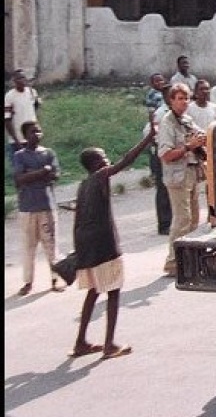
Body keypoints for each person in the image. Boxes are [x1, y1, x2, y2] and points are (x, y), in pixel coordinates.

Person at [70, 125, 155, 360]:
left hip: (87, 244)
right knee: (114, 291)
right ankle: (109, 345)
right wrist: (147, 139)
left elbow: (77, 220)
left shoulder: (83, 185)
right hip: (104, 244)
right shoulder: (100, 176)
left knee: (94, 291)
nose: (107, 161)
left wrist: (79, 252)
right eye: (104, 158)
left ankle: (81, 342)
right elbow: (127, 160)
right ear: (97, 164)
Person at [157, 83, 206, 277]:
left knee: (193, 219)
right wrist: (188, 146)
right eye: (179, 98)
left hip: (192, 172)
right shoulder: (167, 123)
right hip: (177, 175)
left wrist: (200, 140)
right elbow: (165, 154)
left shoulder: (186, 120)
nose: (184, 102)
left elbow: (199, 134)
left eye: (186, 98)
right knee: (181, 219)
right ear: (171, 101)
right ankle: (173, 263)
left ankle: (188, 261)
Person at [13, 121, 62, 296]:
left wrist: (32, 174)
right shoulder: (20, 155)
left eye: (39, 131)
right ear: (25, 135)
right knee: (29, 246)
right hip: (27, 207)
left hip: (46, 204)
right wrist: (42, 172)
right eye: (33, 132)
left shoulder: (48, 153)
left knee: (51, 244)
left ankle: (56, 278)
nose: (37, 135)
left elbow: (55, 175)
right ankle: (28, 281)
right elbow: (19, 179)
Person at [144, 73, 171, 234]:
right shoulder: (161, 113)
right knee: (162, 189)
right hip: (160, 154)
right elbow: (151, 133)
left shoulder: (173, 111)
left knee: (170, 188)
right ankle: (164, 224)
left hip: (170, 154)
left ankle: (171, 220)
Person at [5, 68, 41, 173]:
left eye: (23, 77)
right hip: (18, 140)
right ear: (14, 81)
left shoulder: (31, 92)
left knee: (35, 166)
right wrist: (16, 140)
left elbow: (35, 106)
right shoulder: (9, 96)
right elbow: (7, 120)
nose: (22, 80)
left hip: (32, 137)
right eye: (18, 78)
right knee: (20, 169)